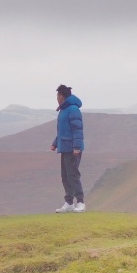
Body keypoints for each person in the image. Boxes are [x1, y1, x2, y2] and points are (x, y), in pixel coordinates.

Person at [50, 84, 86, 212]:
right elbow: (63, 131)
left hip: (72, 149)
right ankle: (69, 202)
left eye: (58, 96)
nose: (57, 98)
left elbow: (77, 130)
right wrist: (55, 143)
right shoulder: (63, 110)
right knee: (65, 175)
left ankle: (80, 202)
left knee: (73, 175)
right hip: (64, 148)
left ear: (62, 96)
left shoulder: (73, 110)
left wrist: (76, 147)